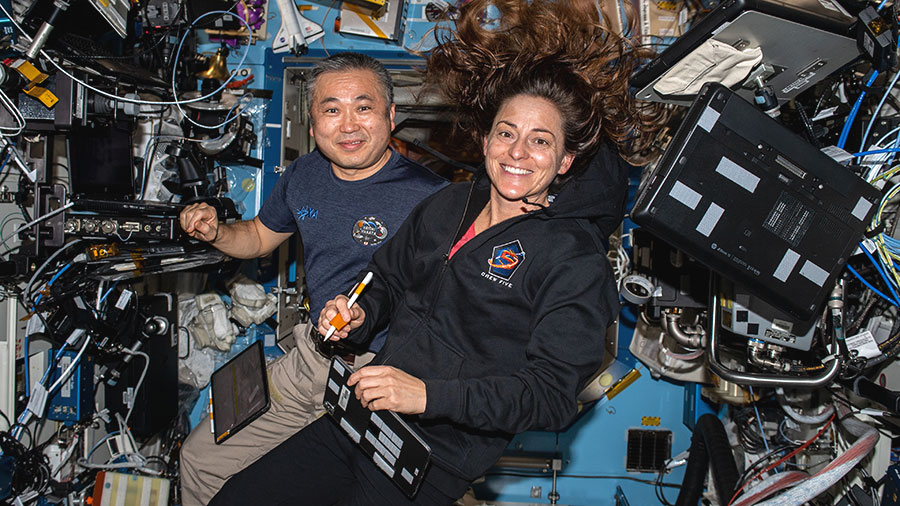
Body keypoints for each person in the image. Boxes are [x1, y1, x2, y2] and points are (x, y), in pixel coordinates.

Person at [209, 1, 666, 505]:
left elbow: (549, 396)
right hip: (359, 417)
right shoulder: (450, 203)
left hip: (431, 459)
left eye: (540, 141)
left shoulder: (574, 261)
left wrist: (426, 396)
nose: (518, 152)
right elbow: (384, 280)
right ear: (487, 139)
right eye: (507, 133)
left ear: (565, 161)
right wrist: (357, 314)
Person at [177, 52, 447, 506]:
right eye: (331, 109)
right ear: (311, 118)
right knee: (200, 460)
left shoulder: (431, 198)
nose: (348, 125)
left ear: (390, 116)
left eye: (363, 108)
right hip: (313, 360)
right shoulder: (304, 175)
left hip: (382, 375)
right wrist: (217, 231)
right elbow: (260, 237)